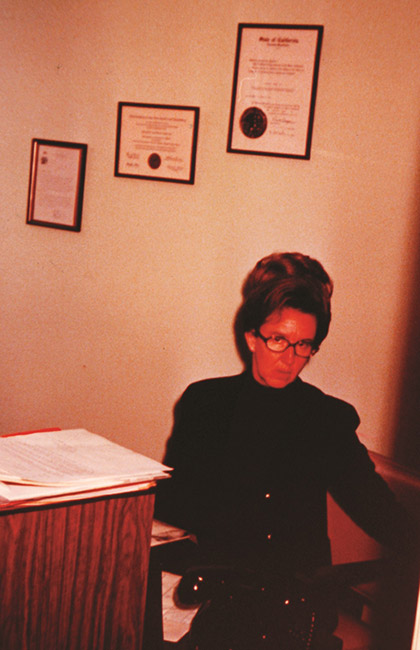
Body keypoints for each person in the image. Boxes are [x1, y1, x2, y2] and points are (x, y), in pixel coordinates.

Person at [155, 252, 418, 649]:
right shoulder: (204, 403)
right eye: (278, 340)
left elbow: (374, 504)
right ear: (251, 337)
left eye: (304, 346)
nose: (290, 359)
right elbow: (174, 504)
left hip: (297, 600)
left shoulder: (326, 417)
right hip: (215, 586)